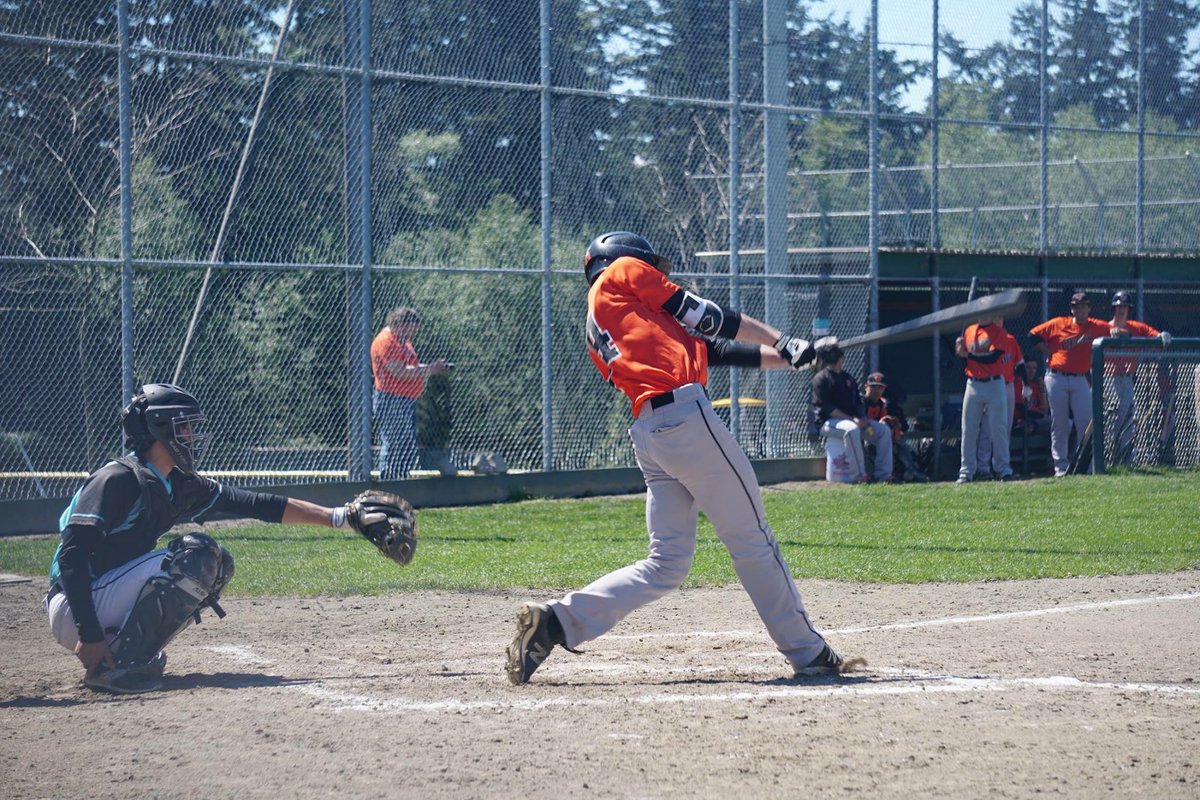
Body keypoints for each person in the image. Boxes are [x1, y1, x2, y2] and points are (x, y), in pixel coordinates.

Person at [505, 231, 862, 685]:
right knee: (753, 539)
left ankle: (556, 622)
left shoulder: (606, 318)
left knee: (667, 563)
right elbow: (708, 317)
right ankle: (809, 652)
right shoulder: (623, 272)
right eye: (652, 266)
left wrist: (798, 354)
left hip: (652, 433)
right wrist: (784, 337)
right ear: (624, 258)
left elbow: (716, 349)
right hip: (685, 419)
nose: (657, 274)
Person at [47, 383, 391, 694]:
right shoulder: (117, 479)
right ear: (159, 429)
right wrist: (89, 634)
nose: (191, 436)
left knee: (218, 564)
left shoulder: (176, 482)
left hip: (101, 598)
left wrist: (341, 517)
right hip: (76, 604)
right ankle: (109, 666)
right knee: (195, 556)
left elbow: (256, 503)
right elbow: (72, 556)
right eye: (184, 427)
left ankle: (123, 656)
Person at [1029, 292, 1110, 477]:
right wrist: (1048, 351)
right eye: (1076, 306)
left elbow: (1116, 330)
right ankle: (1061, 467)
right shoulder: (1059, 323)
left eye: (1083, 306)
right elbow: (1033, 335)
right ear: (1071, 308)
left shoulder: (1097, 326)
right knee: (1060, 423)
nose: (1080, 310)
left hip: (1080, 378)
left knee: (1085, 421)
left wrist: (1118, 331)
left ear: (1089, 308)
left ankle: (1086, 465)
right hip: (1056, 377)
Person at [370, 307, 449, 479]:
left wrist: (433, 367)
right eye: (409, 329)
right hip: (391, 399)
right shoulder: (387, 341)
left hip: (405, 399)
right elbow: (399, 371)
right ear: (398, 324)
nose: (411, 334)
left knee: (405, 444)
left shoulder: (402, 341)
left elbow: (411, 366)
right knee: (395, 443)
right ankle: (389, 482)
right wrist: (429, 370)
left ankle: (401, 478)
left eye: (413, 330)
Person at [1104, 290, 1170, 466]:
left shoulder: (1135, 326)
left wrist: (1161, 335)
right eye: (1118, 306)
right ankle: (1106, 459)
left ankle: (1126, 461)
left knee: (1127, 420)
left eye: (1124, 306)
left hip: (1127, 379)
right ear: (1113, 308)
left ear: (1129, 309)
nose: (1121, 309)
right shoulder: (1104, 326)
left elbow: (1155, 335)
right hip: (1106, 379)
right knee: (1110, 420)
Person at [811, 345, 893, 484]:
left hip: (853, 421)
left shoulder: (848, 378)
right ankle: (859, 476)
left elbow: (857, 403)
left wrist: (864, 419)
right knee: (851, 429)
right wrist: (854, 420)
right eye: (841, 357)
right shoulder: (821, 378)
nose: (843, 359)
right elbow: (828, 409)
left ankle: (883, 475)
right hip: (827, 423)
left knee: (882, 431)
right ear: (839, 359)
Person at [954, 313, 1017, 483]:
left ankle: (1003, 469)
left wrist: (967, 355)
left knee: (998, 428)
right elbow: (965, 362)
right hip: (973, 383)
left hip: (995, 383)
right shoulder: (969, 330)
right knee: (969, 429)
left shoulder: (999, 333)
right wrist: (959, 352)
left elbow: (993, 357)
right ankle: (966, 471)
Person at [974, 317, 1023, 479]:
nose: (996, 322)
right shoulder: (981, 339)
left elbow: (1020, 363)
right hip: (989, 384)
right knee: (987, 429)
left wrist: (1027, 385)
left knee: (1004, 428)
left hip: (1007, 385)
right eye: (993, 319)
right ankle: (983, 466)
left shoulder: (1010, 339)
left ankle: (1001, 466)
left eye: (999, 319)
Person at [862, 372, 926, 482]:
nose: (877, 391)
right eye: (874, 387)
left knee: (900, 445)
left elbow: (886, 422)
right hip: (863, 434)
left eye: (880, 387)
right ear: (866, 387)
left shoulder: (882, 404)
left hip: (876, 436)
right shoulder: (861, 402)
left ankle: (910, 472)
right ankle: (872, 474)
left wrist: (895, 430)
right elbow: (861, 422)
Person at [1013, 357, 1050, 434]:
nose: (1031, 371)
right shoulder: (1017, 383)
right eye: (1028, 367)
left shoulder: (1036, 385)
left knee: (1058, 422)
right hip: (1020, 418)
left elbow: (1044, 410)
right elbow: (1021, 408)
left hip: (1036, 420)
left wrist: (1043, 390)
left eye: (1034, 368)